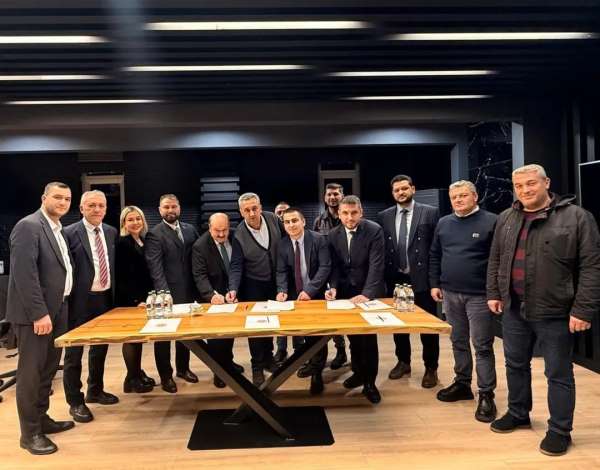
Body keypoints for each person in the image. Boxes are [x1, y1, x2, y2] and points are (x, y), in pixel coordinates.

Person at [487, 163, 600, 456]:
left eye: (531, 183)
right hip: (513, 308)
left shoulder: (577, 217)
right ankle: (518, 413)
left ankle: (560, 430)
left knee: (558, 373)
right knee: (515, 365)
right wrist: (494, 293)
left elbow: (591, 266)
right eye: (519, 186)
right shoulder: (506, 218)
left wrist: (583, 310)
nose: (525, 190)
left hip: (555, 310)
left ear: (546, 182)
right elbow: (496, 258)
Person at [7, 182, 75, 455]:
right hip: (36, 315)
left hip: (58, 309)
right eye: (57, 197)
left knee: (48, 369)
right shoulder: (29, 226)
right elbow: (24, 274)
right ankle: (30, 433)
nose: (63, 202)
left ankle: (42, 419)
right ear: (44, 197)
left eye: (67, 199)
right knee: (31, 374)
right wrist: (39, 313)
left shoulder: (57, 229)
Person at [429, 180, 498, 422]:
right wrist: (435, 283)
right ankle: (462, 384)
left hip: (480, 296)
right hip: (450, 293)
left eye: (463, 195)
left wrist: (495, 293)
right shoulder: (444, 223)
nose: (458, 200)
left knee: (482, 345)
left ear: (475, 196)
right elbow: (435, 254)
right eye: (454, 197)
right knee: (458, 341)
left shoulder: (492, 221)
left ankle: (486, 394)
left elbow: (498, 260)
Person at [377, 174, 440, 388]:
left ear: (413, 189)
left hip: (422, 279)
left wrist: (435, 281)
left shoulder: (429, 212)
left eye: (404, 188)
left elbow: (436, 249)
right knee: (399, 324)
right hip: (397, 279)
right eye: (396, 190)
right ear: (392, 193)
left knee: (427, 326)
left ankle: (431, 367)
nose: (401, 192)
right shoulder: (384, 216)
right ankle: (403, 362)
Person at [62, 190, 119, 424]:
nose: (97, 209)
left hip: (104, 299)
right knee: (74, 353)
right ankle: (75, 401)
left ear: (106, 208)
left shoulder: (111, 232)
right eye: (92, 205)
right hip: (78, 300)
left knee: (99, 348)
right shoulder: (68, 233)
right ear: (81, 208)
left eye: (101, 205)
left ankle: (95, 389)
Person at [325, 195, 385, 404]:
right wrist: (332, 287)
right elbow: (333, 267)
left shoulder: (374, 230)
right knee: (353, 338)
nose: (350, 218)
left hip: (367, 292)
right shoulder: (333, 235)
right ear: (339, 214)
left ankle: (370, 383)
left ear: (361, 212)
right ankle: (358, 373)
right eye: (345, 213)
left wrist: (367, 293)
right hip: (345, 294)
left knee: (368, 339)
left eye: (354, 213)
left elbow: (377, 265)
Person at [226, 192, 282, 386]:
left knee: (271, 323)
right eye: (247, 210)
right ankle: (257, 365)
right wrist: (233, 288)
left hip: (275, 281)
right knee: (255, 327)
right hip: (253, 284)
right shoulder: (238, 233)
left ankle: (269, 358)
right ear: (241, 212)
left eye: (254, 208)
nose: (251, 213)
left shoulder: (273, 219)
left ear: (260, 207)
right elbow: (236, 264)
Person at [145, 194, 199, 393]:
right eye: (166, 207)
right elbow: (155, 267)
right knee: (164, 337)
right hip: (167, 294)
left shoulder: (190, 229)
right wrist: (164, 293)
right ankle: (166, 376)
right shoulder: (154, 234)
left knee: (185, 334)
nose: (170, 210)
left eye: (173, 206)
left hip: (189, 291)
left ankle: (183, 369)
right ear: (160, 210)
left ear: (179, 208)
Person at [276, 207, 331, 394]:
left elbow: (325, 267)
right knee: (303, 334)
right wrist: (282, 290)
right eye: (287, 222)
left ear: (303, 222)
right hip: (295, 296)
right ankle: (310, 363)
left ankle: (317, 373)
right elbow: (281, 271)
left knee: (317, 336)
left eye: (294, 220)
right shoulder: (282, 244)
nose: (291, 225)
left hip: (315, 294)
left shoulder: (318, 239)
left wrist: (310, 290)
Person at [191, 212, 244, 388]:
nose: (221, 234)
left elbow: (237, 265)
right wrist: (211, 295)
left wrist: (233, 289)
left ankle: (228, 362)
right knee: (216, 338)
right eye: (217, 231)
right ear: (209, 228)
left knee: (230, 333)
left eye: (224, 230)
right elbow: (200, 275)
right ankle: (219, 372)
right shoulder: (200, 246)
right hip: (213, 296)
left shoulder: (235, 237)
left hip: (231, 294)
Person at [115, 206, 157, 394]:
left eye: (138, 218)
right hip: (131, 300)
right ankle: (132, 379)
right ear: (124, 223)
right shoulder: (123, 243)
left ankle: (135, 374)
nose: (135, 222)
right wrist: (135, 300)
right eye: (130, 220)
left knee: (139, 338)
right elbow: (123, 277)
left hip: (144, 298)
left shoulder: (141, 240)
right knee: (132, 339)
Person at [310, 182, 347, 372]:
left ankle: (349, 352)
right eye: (329, 194)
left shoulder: (348, 216)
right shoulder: (318, 221)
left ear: (342, 196)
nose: (332, 197)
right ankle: (340, 350)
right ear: (325, 197)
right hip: (326, 274)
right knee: (331, 316)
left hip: (347, 273)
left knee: (346, 316)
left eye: (336, 194)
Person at [272, 201, 296, 362]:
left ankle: (299, 349)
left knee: (296, 318)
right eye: (279, 213)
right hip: (279, 280)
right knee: (280, 316)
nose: (282, 215)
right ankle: (281, 349)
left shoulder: (295, 229)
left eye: (285, 212)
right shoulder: (274, 231)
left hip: (298, 281)